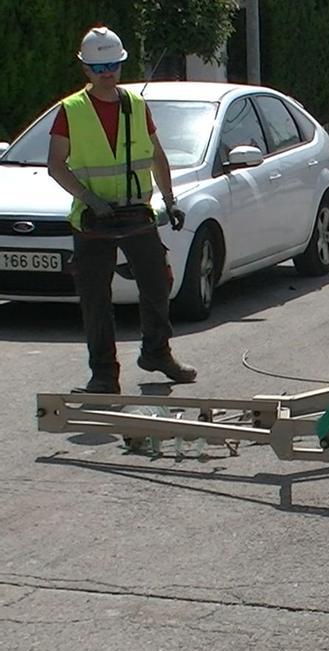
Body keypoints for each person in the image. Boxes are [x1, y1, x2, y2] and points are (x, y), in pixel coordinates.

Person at [47, 26, 195, 395]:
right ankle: (103, 375)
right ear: (86, 70)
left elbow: (156, 155)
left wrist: (170, 200)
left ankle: (157, 352)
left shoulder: (136, 105)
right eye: (99, 67)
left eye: (113, 65)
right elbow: (56, 165)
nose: (107, 72)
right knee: (95, 298)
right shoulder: (71, 110)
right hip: (93, 219)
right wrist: (90, 198)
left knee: (157, 282)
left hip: (135, 213)